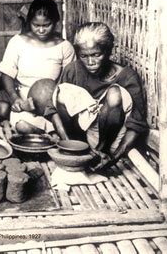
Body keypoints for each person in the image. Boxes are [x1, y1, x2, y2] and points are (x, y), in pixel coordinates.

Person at [29, 22, 149, 171]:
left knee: (115, 94)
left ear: (108, 50)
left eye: (96, 55)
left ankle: (101, 152)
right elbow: (52, 108)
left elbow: (136, 125)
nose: (90, 62)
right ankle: (79, 148)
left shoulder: (127, 76)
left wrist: (114, 157)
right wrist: (68, 145)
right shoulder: (73, 70)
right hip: (81, 138)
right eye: (84, 56)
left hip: (112, 141)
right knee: (62, 91)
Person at [0, 0, 75, 133]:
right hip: (24, 102)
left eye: (46, 25)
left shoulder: (65, 47)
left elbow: (68, 81)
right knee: (23, 126)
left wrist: (53, 101)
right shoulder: (17, 42)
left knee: (62, 127)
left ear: (55, 22)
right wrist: (15, 98)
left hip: (52, 104)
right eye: (36, 25)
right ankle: (51, 136)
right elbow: (6, 74)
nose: (41, 30)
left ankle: (53, 134)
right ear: (29, 22)